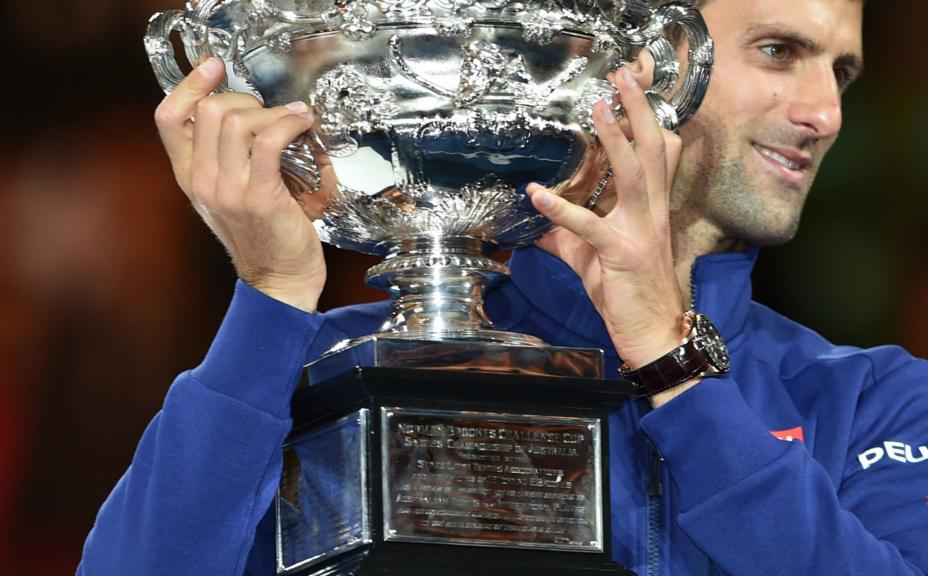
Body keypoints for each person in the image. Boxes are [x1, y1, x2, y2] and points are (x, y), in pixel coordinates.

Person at [79, 0, 928, 573]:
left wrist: (673, 368)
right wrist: (270, 296)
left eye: (841, 73)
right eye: (780, 53)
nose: (826, 113)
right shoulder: (317, 364)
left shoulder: (873, 402)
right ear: (630, 68)